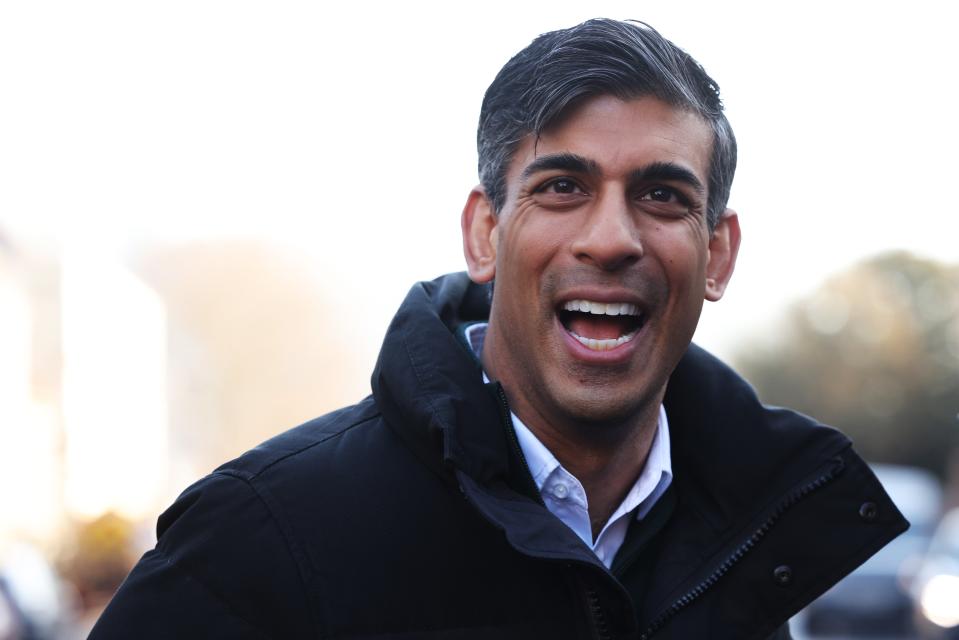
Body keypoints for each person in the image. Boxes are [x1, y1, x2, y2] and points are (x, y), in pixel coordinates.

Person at [90, 19, 907, 639]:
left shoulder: (751, 542)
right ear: (484, 234)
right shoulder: (260, 536)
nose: (611, 238)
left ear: (717, 253)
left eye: (661, 196)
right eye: (561, 187)